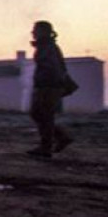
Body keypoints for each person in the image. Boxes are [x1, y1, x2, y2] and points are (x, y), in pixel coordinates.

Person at [27, 20, 74, 158]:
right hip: (47, 85)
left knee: (44, 115)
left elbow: (53, 68)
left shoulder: (48, 47)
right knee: (39, 114)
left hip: (49, 86)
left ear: (43, 31)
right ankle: (59, 138)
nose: (33, 32)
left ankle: (46, 146)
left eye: (35, 29)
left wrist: (49, 85)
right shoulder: (45, 46)